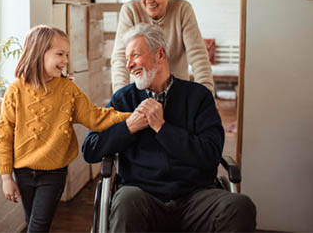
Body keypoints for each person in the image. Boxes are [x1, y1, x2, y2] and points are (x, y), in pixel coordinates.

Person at [82, 23, 256, 232]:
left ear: (160, 54)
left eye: (135, 56)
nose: (129, 65)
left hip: (195, 197)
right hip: (142, 197)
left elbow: (210, 154)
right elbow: (90, 149)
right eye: (127, 58)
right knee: (126, 199)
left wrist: (162, 128)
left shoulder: (198, 97)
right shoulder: (124, 100)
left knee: (240, 206)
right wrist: (129, 126)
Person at [0, 25, 146, 233]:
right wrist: (6, 177)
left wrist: (133, 117)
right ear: (39, 53)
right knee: (33, 223)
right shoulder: (15, 91)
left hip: (54, 173)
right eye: (60, 54)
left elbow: (95, 117)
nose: (65, 60)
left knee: (37, 226)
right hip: (23, 172)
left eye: (67, 54)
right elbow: (3, 135)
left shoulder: (68, 90)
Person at [111, 0, 214, 94]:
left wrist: (207, 98)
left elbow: (198, 57)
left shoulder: (182, 10)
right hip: (139, 91)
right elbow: (120, 58)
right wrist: (120, 98)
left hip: (176, 92)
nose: (148, 0)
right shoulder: (130, 11)